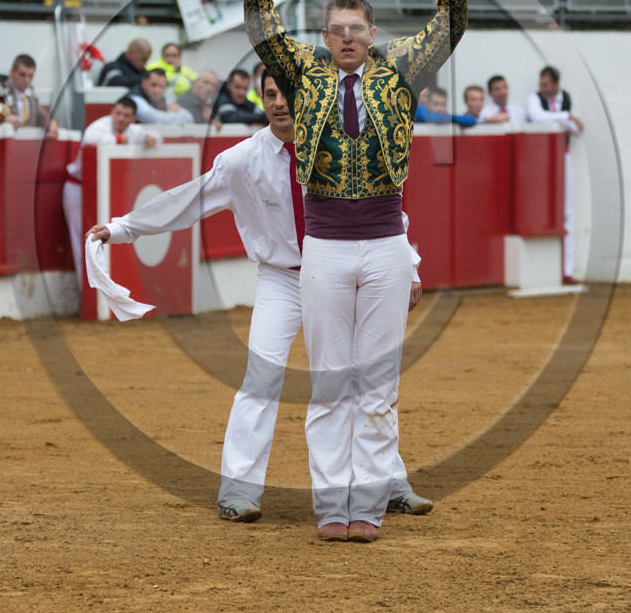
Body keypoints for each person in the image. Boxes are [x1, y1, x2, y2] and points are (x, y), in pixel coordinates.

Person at [85, 73, 433, 526]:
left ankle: (386, 483)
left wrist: (407, 263)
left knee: (363, 377)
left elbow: (384, 212)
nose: (280, 104)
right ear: (261, 99)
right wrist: (123, 227)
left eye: (288, 95)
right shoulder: (242, 159)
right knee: (262, 376)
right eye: (270, 95)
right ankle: (238, 489)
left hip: (339, 274)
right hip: (282, 280)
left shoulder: (341, 146)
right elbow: (188, 200)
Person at [244, 0, 467, 543]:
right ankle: (331, 504)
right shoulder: (305, 73)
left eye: (356, 29)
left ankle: (366, 504)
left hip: (387, 243)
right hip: (327, 246)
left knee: (376, 383)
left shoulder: (401, 68)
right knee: (331, 382)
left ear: (372, 34)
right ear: (325, 36)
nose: (346, 38)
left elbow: (452, 22)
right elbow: (260, 23)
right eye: (337, 30)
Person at [62, 97, 161, 279]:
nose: (121, 118)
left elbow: (157, 138)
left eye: (126, 115)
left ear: (133, 119)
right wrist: (117, 139)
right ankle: (86, 295)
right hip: (78, 187)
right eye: (118, 113)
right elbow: (91, 139)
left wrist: (150, 140)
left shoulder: (134, 131)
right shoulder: (98, 127)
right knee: (81, 242)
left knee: (106, 238)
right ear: (111, 112)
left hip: (105, 191)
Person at [524, 65, 582, 284]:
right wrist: (565, 116)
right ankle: (545, 268)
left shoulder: (569, 97)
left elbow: (578, 129)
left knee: (568, 212)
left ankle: (566, 270)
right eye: (541, 84)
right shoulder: (535, 99)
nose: (542, 88)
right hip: (540, 160)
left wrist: (562, 119)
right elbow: (537, 117)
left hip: (564, 156)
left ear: (556, 85)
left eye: (546, 85)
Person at [4, 54, 57, 137]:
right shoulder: (0, 92)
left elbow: (40, 116)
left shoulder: (31, 96)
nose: (26, 80)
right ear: (11, 73)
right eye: (22, 75)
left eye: (30, 76)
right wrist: (5, 118)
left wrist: (50, 123)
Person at [129, 68, 196, 124]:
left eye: (161, 86)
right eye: (153, 85)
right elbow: (155, 119)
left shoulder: (162, 99)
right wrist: (173, 114)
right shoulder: (134, 99)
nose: (157, 90)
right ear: (143, 83)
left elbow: (189, 118)